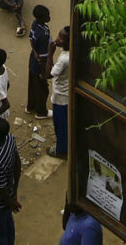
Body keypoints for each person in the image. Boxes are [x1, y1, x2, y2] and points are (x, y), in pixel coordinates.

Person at [48, 26, 71, 158]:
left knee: (60, 124)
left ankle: (61, 151)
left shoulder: (63, 60)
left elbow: (50, 73)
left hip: (61, 96)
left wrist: (50, 53)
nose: (58, 40)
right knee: (65, 124)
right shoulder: (69, 53)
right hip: (66, 93)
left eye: (61, 38)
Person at [27, 5, 52, 119]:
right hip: (39, 65)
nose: (49, 17)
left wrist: (34, 52)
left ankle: (30, 107)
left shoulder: (34, 24)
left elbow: (31, 40)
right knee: (42, 89)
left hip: (33, 60)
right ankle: (41, 112)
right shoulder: (44, 34)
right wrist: (44, 72)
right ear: (42, 18)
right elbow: (43, 57)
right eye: (47, 15)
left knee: (32, 85)